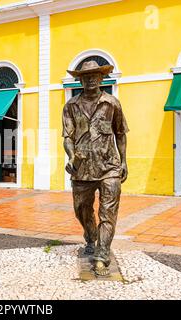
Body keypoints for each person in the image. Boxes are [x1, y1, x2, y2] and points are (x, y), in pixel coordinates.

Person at [62, 60, 129, 276]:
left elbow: (121, 134)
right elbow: (67, 138)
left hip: (109, 166)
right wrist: (71, 157)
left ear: (101, 78)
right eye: (86, 76)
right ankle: (91, 236)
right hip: (81, 168)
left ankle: (102, 255)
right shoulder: (70, 106)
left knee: (108, 212)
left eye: (95, 75)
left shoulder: (112, 103)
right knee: (81, 209)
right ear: (80, 79)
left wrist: (124, 161)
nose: (90, 79)